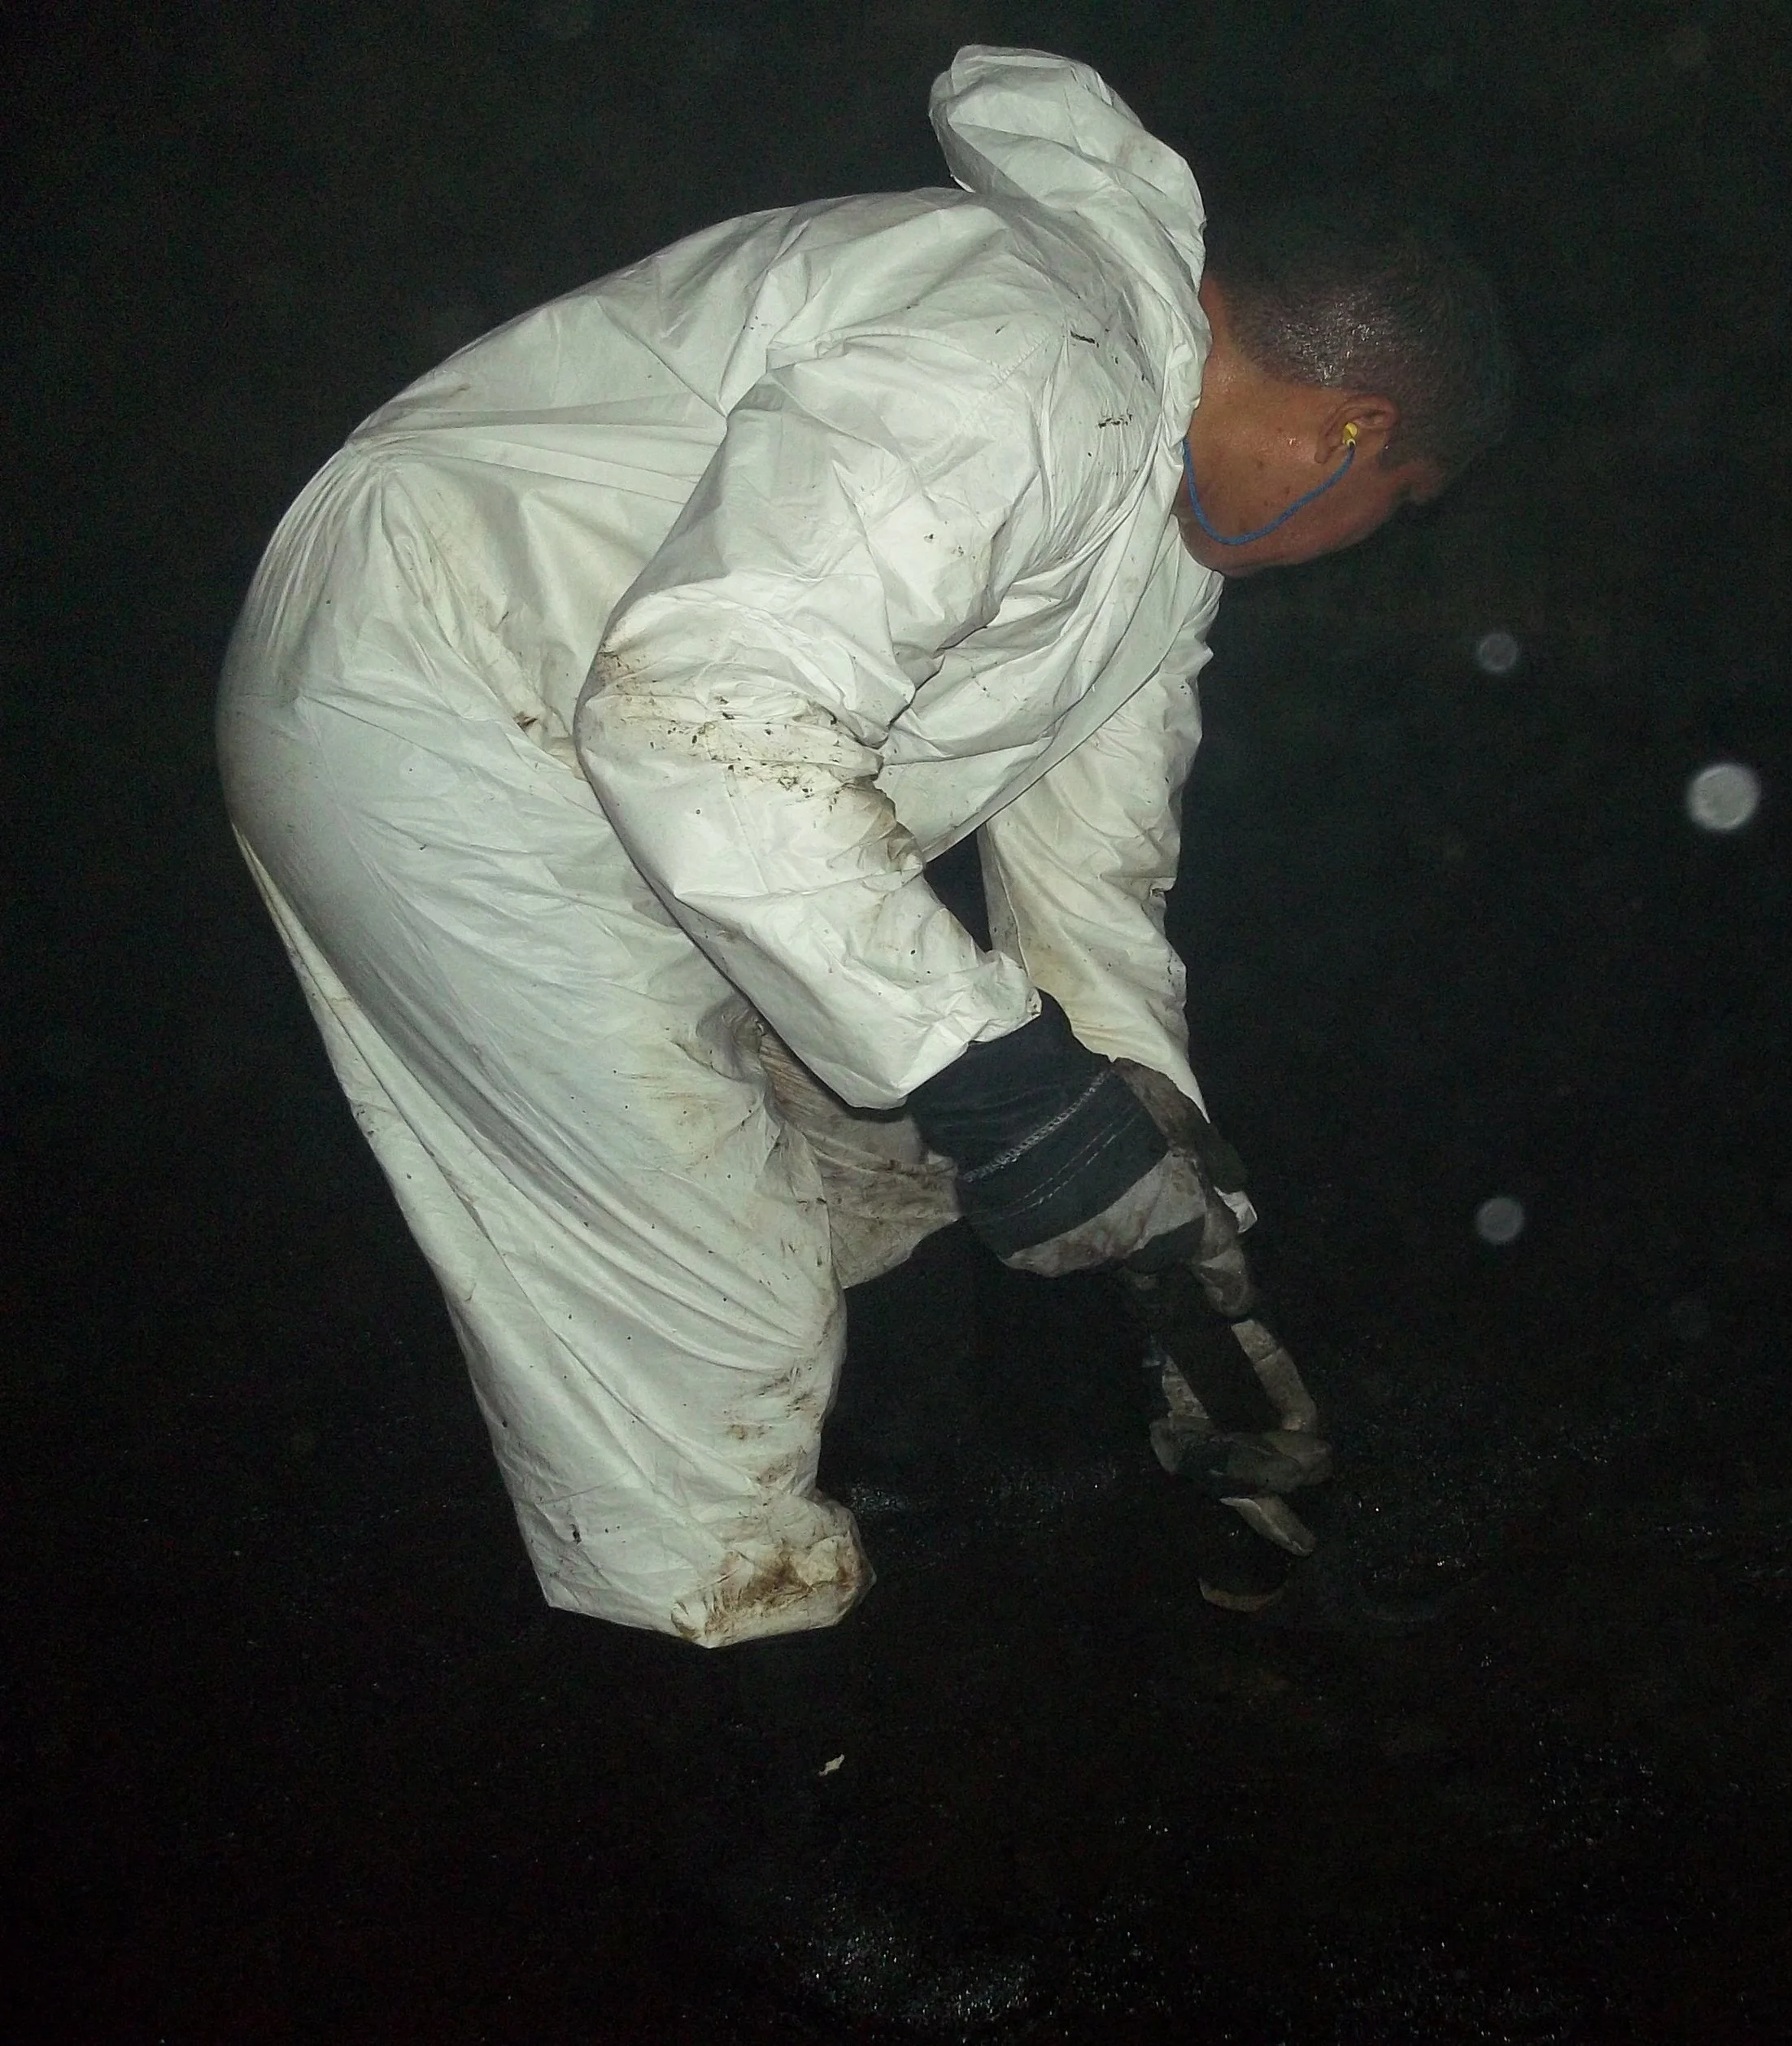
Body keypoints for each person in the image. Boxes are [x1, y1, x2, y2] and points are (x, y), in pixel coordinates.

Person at [218, 46, 1514, 1645]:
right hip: (451, 705)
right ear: (1345, 432)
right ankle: (757, 1794)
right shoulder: (1016, 352)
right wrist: (1007, 1088)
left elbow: (1086, 869)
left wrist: (1152, 1158)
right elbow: (704, 710)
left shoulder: (1152, 539)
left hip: (636, 776)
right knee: (717, 1310)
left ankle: (741, 1476)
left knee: (876, 1160)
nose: (1359, 548)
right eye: (1392, 504)